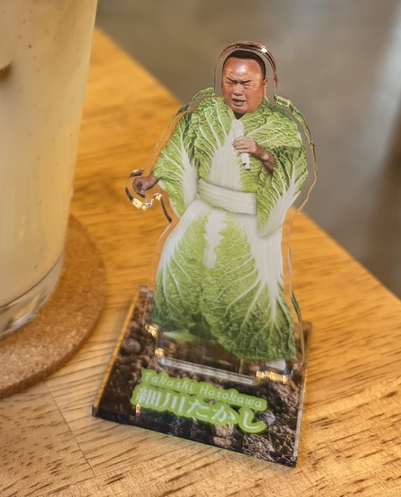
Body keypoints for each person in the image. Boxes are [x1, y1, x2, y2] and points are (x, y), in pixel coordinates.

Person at [132, 46, 314, 362]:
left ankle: (257, 349)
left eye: (246, 83)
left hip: (251, 219)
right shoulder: (206, 114)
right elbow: (182, 148)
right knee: (176, 261)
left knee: (252, 283)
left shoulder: (280, 125)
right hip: (203, 209)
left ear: (264, 85)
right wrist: (152, 179)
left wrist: (261, 152)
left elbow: (293, 168)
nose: (237, 91)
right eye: (231, 82)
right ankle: (181, 334)